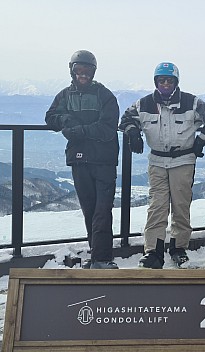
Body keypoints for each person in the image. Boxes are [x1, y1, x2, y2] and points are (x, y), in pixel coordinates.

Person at [119, 62, 205, 268]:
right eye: (161, 80)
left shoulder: (191, 102)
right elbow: (126, 119)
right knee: (157, 206)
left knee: (180, 205)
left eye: (169, 80)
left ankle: (178, 248)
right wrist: (132, 131)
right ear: (156, 82)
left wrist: (201, 139)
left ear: (176, 82)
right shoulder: (144, 103)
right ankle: (153, 251)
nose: (165, 84)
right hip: (157, 161)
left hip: (183, 161)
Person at [45, 50, 119, 269]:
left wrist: (78, 131)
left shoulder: (104, 96)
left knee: (102, 210)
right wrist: (65, 118)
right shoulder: (65, 95)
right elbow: (50, 117)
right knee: (89, 209)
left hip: (103, 160)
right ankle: (97, 256)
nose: (83, 74)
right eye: (79, 70)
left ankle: (102, 258)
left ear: (93, 72)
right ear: (72, 70)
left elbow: (107, 129)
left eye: (87, 70)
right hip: (79, 160)